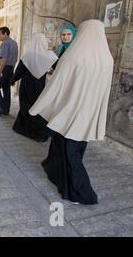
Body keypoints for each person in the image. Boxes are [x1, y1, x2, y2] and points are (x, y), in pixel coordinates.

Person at [30, 19, 114, 205]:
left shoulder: (74, 56)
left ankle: (83, 194)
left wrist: (40, 106)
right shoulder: (106, 58)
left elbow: (58, 84)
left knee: (69, 153)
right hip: (89, 113)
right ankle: (54, 173)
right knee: (72, 149)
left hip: (69, 112)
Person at [10, 33, 58, 142]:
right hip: (41, 86)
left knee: (26, 107)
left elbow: (19, 71)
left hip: (26, 86)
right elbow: (59, 67)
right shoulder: (49, 55)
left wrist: (12, 80)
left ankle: (38, 132)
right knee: (37, 107)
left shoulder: (28, 55)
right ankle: (22, 127)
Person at [0, 27, 18, 116]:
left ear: (5, 33)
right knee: (6, 89)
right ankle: (6, 110)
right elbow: (15, 60)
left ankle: (1, 109)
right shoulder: (14, 43)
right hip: (10, 68)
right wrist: (13, 73)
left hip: (3, 68)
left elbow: (4, 59)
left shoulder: (5, 43)